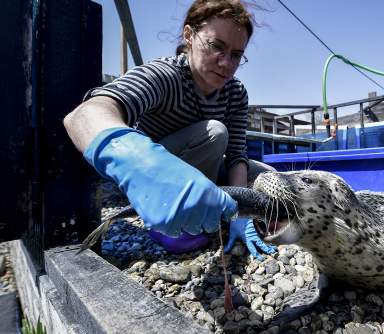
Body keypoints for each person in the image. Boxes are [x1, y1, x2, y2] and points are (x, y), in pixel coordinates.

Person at [63, 0, 276, 260]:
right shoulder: (165, 75)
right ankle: (173, 224)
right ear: (189, 35)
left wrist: (241, 215)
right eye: (216, 46)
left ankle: (223, 214)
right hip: (161, 180)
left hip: (203, 169)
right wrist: (136, 162)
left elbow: (236, 155)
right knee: (214, 132)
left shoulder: (235, 93)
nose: (225, 63)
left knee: (268, 175)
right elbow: (83, 115)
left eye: (236, 55)